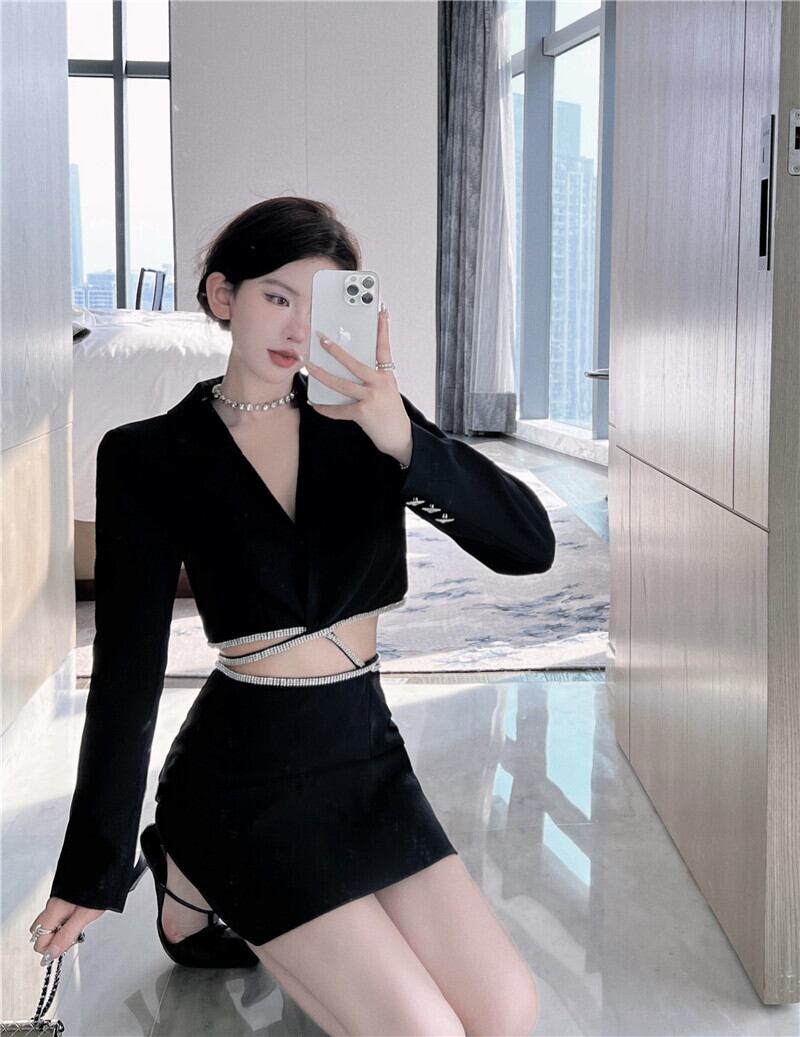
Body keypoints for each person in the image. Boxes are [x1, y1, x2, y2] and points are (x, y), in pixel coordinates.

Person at [28, 196, 555, 1035]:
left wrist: (406, 441)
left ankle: (190, 881)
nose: (298, 327)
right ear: (222, 295)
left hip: (366, 755)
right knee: (423, 1029)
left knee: (507, 1010)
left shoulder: (369, 421)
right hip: (243, 777)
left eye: (322, 302)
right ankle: (189, 852)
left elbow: (529, 546)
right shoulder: (147, 455)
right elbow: (126, 674)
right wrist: (91, 869)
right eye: (277, 296)